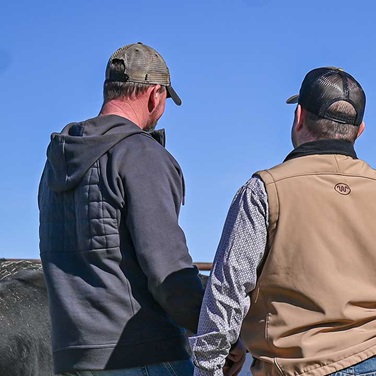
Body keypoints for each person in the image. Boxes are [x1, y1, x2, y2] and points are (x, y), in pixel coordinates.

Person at [190, 67, 376, 376]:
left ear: (299, 117)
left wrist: (206, 369)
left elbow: (227, 293)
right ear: (360, 131)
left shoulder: (264, 190)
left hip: (297, 368)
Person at [38, 42, 205, 376]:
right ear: (155, 94)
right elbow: (168, 271)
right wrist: (218, 328)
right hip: (141, 356)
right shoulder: (140, 155)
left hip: (72, 358)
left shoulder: (55, 163)